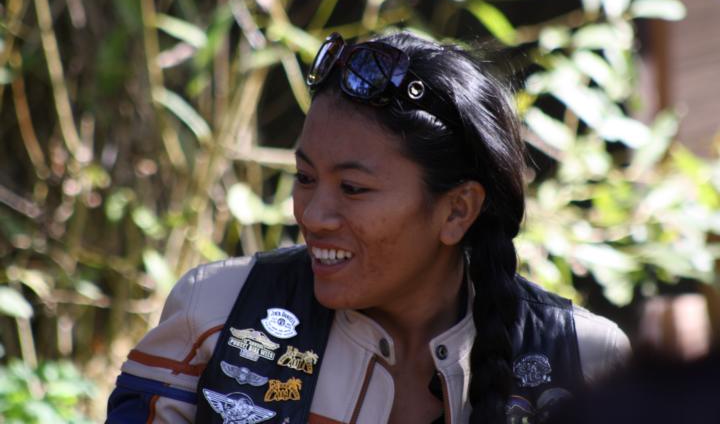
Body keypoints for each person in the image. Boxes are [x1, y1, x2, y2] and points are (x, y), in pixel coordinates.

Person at [107, 31, 630, 424]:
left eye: (353, 188)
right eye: (305, 177)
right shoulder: (216, 314)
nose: (312, 215)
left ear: (457, 211)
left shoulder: (585, 361)